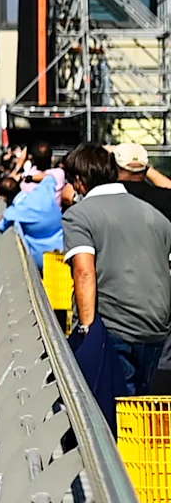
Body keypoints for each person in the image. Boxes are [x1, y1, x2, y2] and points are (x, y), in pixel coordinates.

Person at [63, 145, 167, 414]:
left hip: (114, 328)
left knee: (112, 414)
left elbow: (84, 272)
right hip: (155, 328)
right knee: (142, 409)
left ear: (79, 181)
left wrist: (87, 331)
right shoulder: (155, 216)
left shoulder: (79, 215)